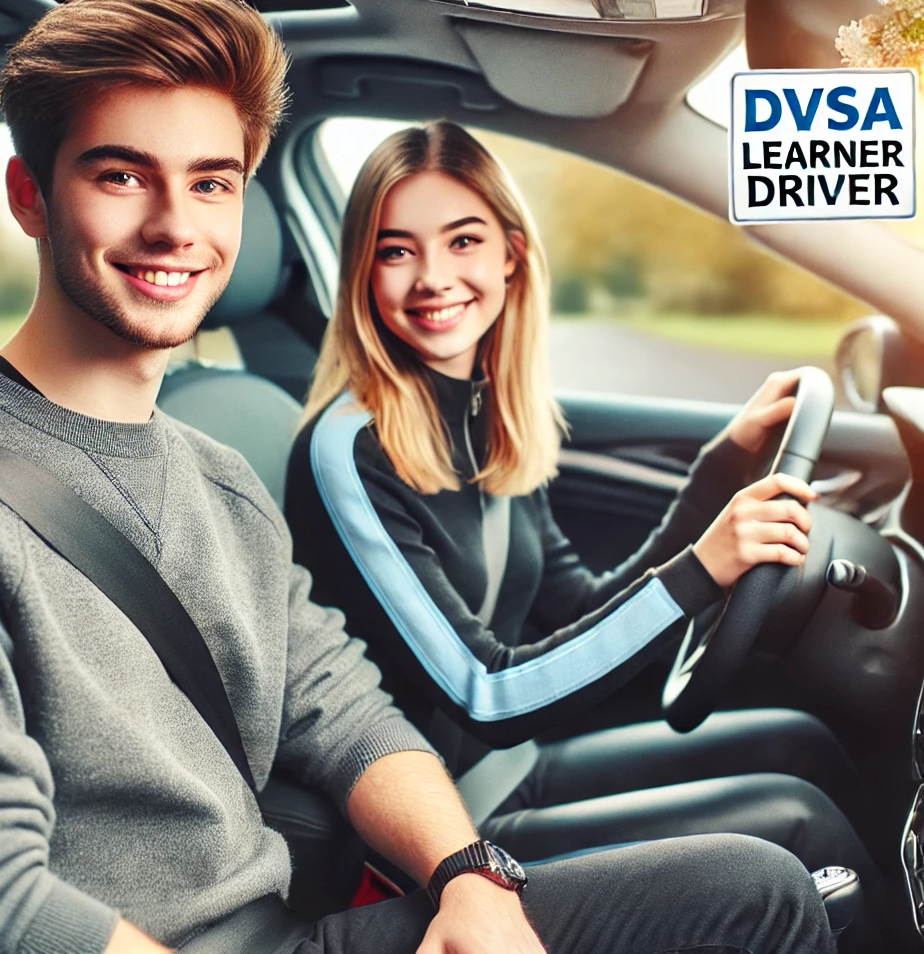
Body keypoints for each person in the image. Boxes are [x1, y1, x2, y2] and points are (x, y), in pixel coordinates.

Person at [0, 0, 837, 954]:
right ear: (29, 196)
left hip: (286, 913)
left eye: (213, 181)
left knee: (753, 880)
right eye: (122, 176)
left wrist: (470, 875)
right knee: (763, 880)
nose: (177, 224)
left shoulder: (219, 475)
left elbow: (342, 710)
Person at [285, 121, 877, 882]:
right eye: (396, 250)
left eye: (463, 241)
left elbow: (576, 606)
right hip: (440, 828)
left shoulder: (483, 412)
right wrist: (706, 567)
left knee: (802, 746)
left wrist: (724, 464)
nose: (431, 276)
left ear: (511, 253)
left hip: (513, 767)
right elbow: (487, 692)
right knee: (800, 826)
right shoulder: (348, 448)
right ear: (363, 273)